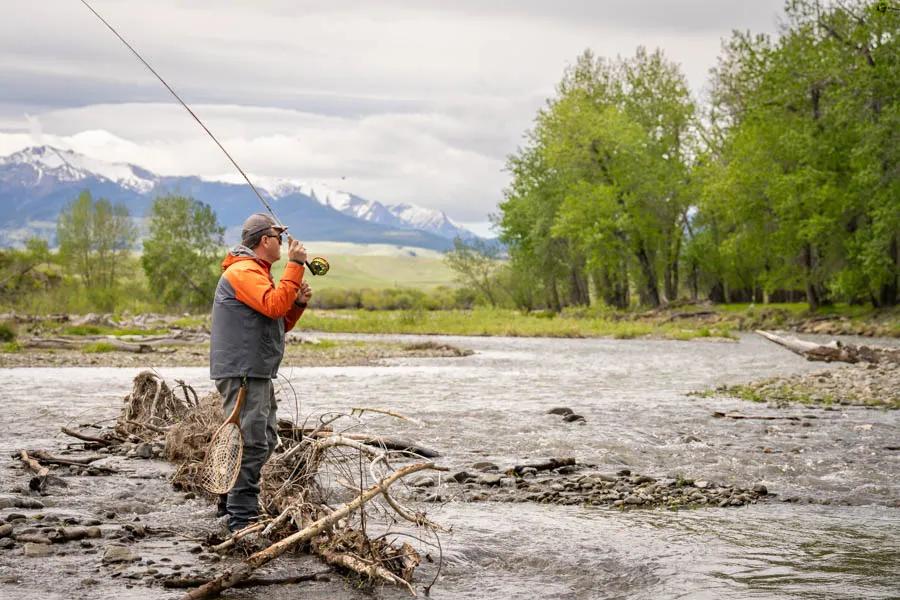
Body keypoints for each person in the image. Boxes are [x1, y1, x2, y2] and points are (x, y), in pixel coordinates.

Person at [209, 212, 312, 532]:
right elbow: (272, 306)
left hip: (255, 371)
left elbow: (276, 321)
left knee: (264, 439)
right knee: (251, 441)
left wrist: (296, 304)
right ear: (264, 240)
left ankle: (228, 505)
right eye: (278, 238)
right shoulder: (244, 271)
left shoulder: (257, 272)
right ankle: (241, 518)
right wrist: (294, 266)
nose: (282, 243)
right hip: (243, 372)